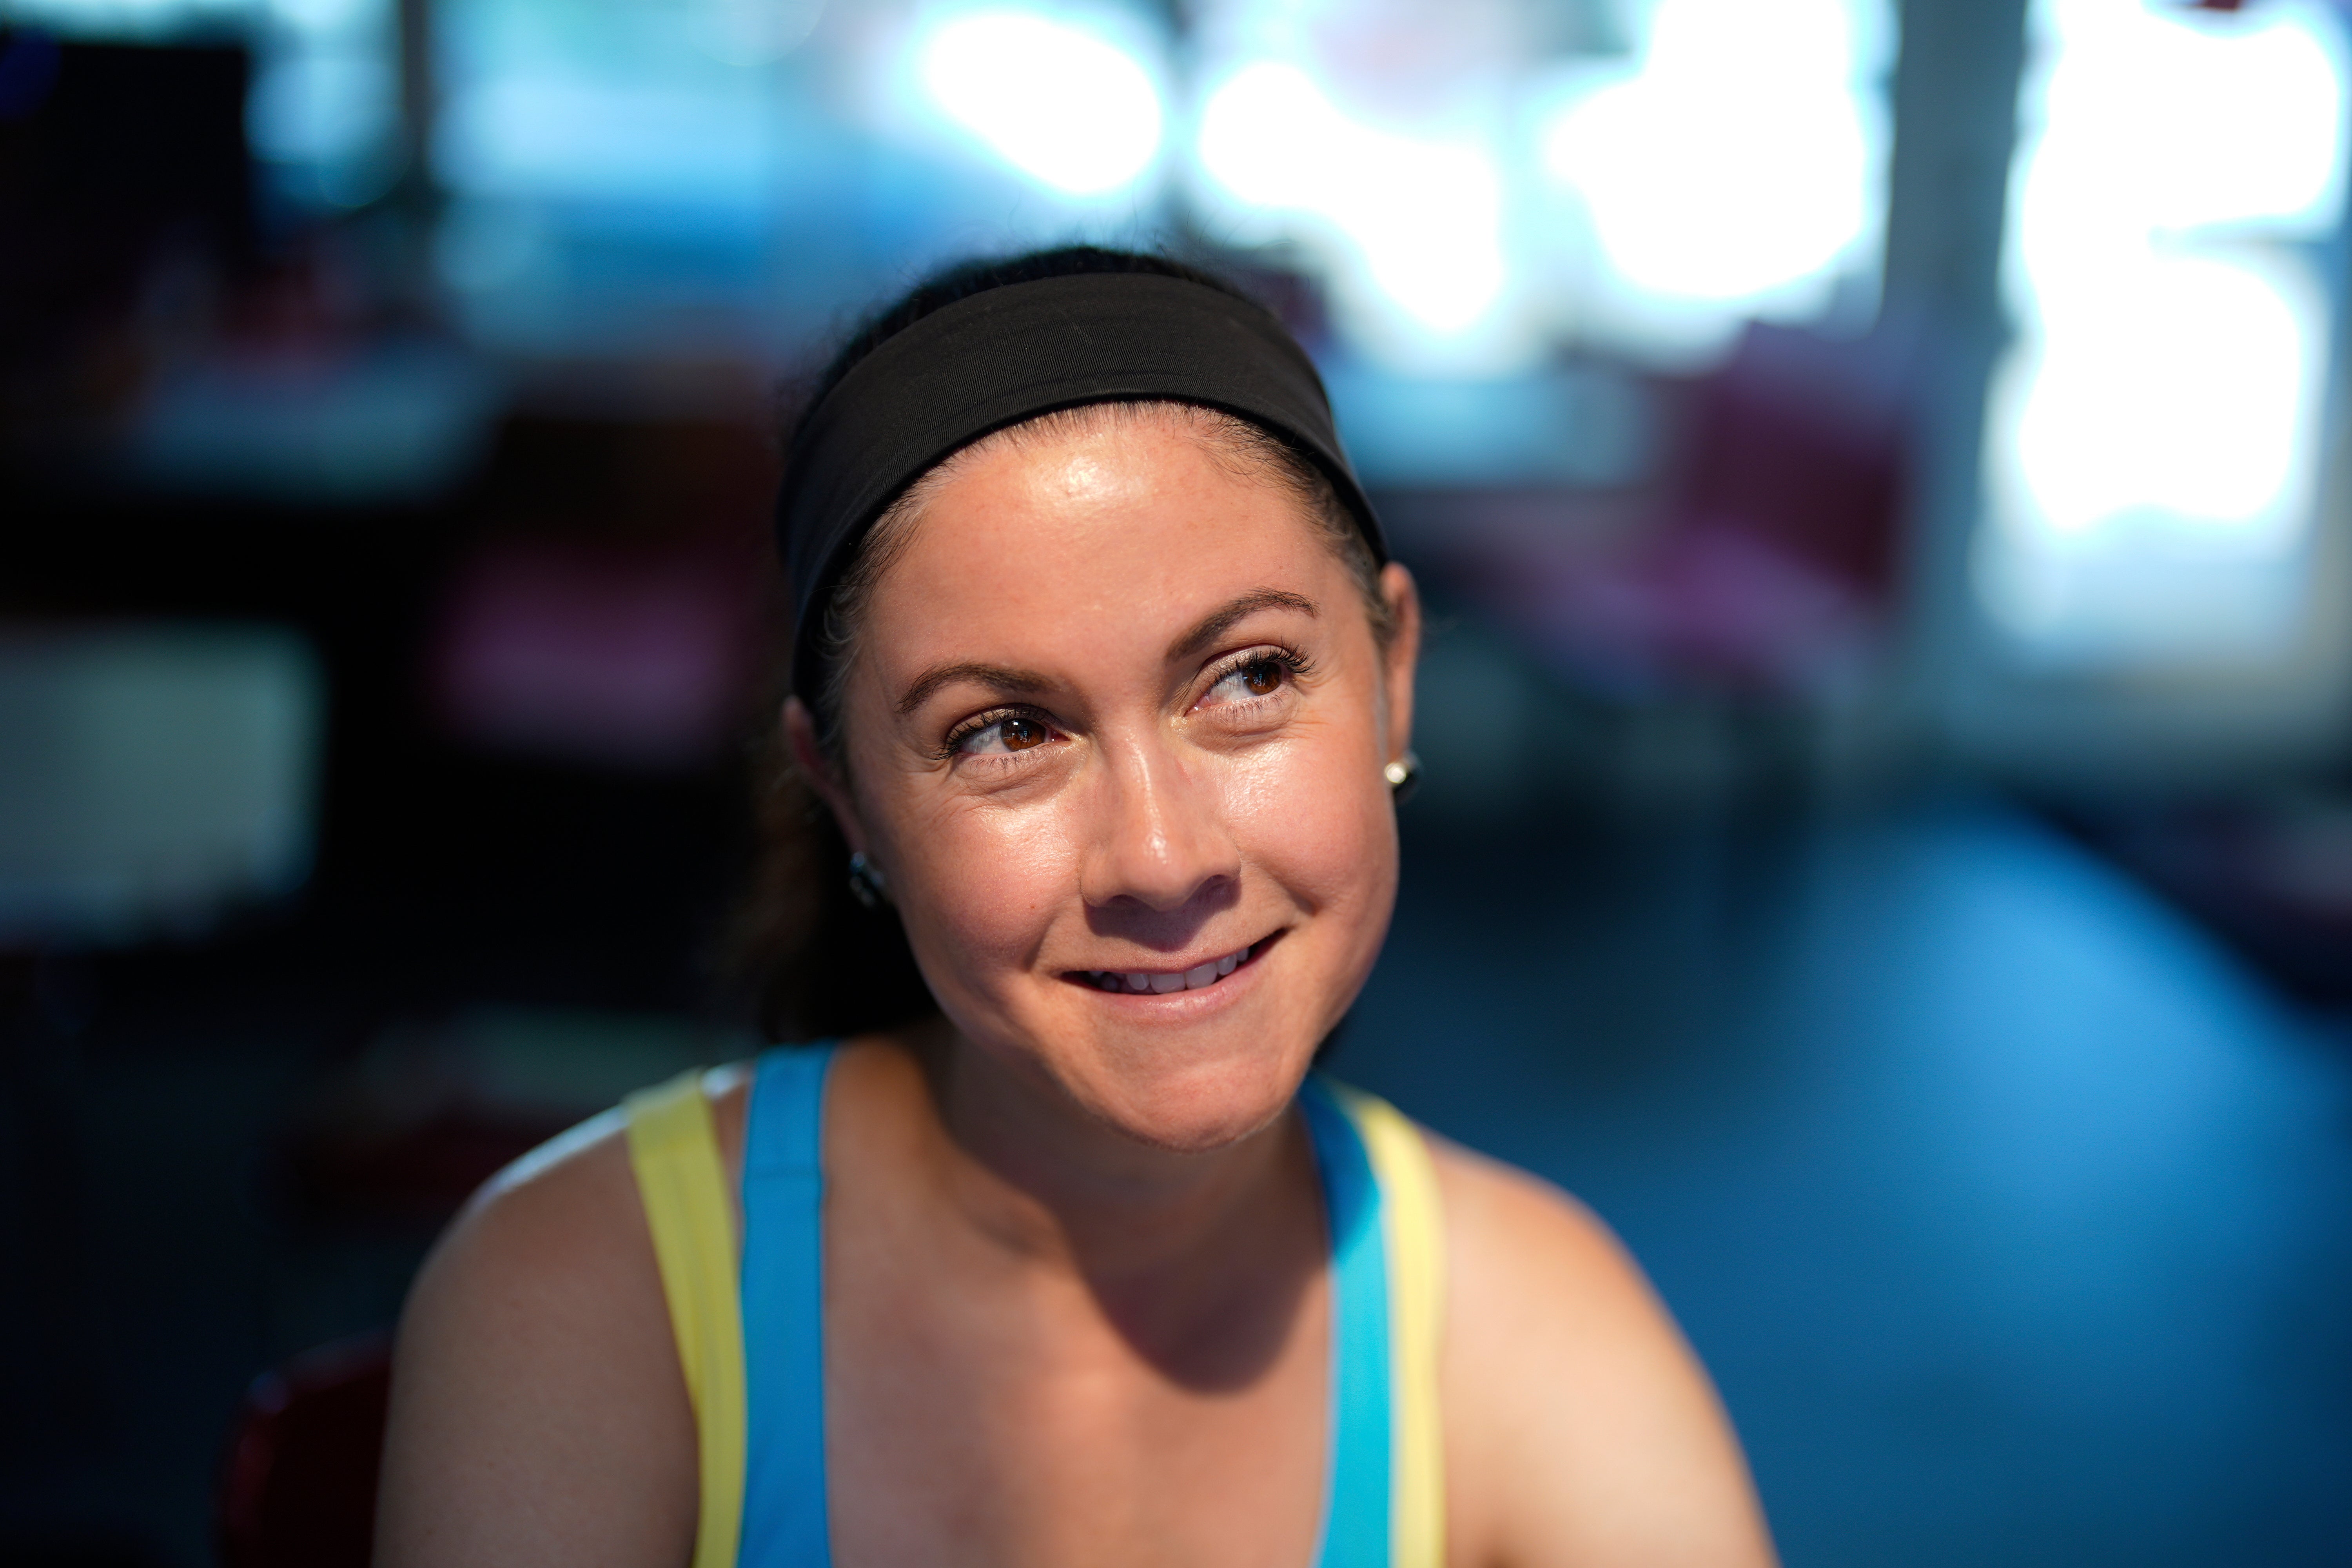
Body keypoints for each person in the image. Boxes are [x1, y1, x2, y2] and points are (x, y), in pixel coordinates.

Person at [376, 247, 1777, 1568]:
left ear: (1394, 675)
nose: (1160, 858)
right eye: (1003, 733)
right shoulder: (583, 1303)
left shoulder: (1531, 1328)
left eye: (1248, 679)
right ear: (850, 795)